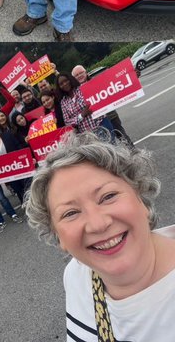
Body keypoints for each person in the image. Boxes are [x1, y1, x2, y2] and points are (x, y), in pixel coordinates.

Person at [26, 133, 175, 339]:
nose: (98, 224)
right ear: (58, 236)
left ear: (141, 197)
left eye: (108, 196)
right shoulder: (77, 276)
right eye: (70, 213)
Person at [73, 65, 133, 144]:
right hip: (96, 123)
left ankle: (133, 153)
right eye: (76, 75)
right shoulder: (75, 92)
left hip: (110, 115)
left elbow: (116, 83)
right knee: (107, 144)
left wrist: (132, 76)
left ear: (86, 72)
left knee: (122, 136)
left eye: (81, 73)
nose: (79, 76)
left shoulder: (98, 81)